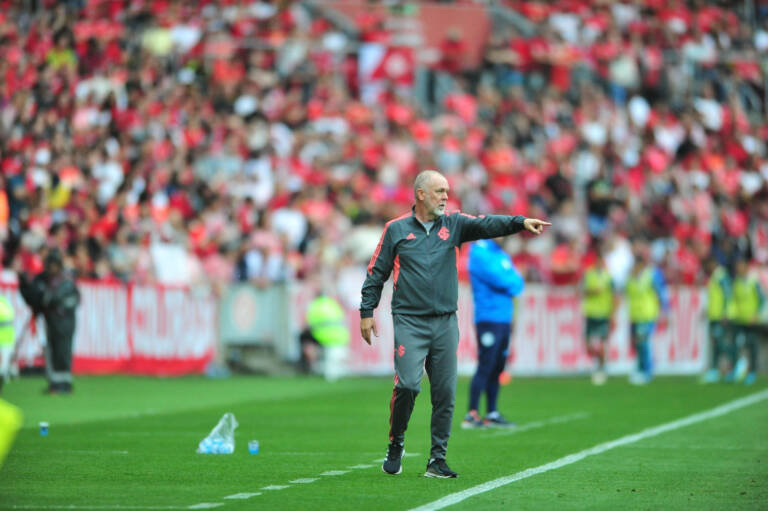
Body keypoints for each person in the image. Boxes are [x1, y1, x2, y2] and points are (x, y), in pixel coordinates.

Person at [359, 170, 550, 478]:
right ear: (420, 194)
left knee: (446, 393)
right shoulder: (395, 229)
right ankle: (396, 442)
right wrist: (366, 311)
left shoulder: (455, 224)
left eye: (446, 191)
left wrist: (519, 223)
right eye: (439, 191)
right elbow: (376, 272)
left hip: (446, 321)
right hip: (409, 320)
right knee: (407, 384)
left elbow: (487, 224)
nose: (445, 196)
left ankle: (437, 460)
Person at [462, 237, 523, 429]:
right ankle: (471, 413)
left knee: (498, 366)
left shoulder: (500, 253)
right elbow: (504, 279)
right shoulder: (479, 252)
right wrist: (510, 278)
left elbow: (517, 284)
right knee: (486, 364)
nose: (503, 234)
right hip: (488, 316)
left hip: (504, 317)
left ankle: (492, 413)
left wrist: (510, 279)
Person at [18, 249, 80, 394]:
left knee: (63, 350)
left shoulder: (66, 280)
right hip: (52, 320)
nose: (50, 268)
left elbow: (53, 299)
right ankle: (55, 383)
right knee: (52, 351)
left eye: (53, 265)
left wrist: (46, 300)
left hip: (64, 321)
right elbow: (38, 297)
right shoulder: (47, 279)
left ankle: (64, 383)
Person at [625, 242, 669, 385]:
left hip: (648, 314)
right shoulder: (631, 278)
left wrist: (665, 311)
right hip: (635, 316)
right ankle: (641, 368)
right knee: (638, 344)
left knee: (643, 342)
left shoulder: (652, 275)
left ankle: (647, 371)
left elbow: (661, 293)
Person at [582, 247, 616, 385]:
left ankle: (601, 369)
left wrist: (613, 314)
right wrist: (592, 291)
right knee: (589, 344)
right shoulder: (589, 274)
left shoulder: (609, 277)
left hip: (603, 313)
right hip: (591, 313)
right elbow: (582, 290)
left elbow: (615, 296)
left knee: (602, 344)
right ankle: (597, 363)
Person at [700, 259, 735, 383]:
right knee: (716, 343)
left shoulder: (721, 276)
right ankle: (714, 370)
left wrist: (725, 312)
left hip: (721, 316)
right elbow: (715, 297)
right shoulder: (714, 276)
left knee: (721, 344)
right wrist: (707, 310)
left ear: (713, 263)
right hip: (714, 315)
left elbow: (727, 294)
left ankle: (735, 361)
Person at [731, 259, 764, 385]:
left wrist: (755, 314)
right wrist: (732, 313)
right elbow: (734, 299)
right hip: (739, 319)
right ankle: (737, 370)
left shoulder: (753, 281)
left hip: (751, 320)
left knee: (751, 345)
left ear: (745, 268)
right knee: (737, 345)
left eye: (740, 266)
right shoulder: (737, 282)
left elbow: (761, 299)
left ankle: (752, 372)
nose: (738, 269)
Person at [303, 293, 350, 381]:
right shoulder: (333, 304)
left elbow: (309, 322)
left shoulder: (315, 305)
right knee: (336, 359)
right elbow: (342, 317)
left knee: (307, 342)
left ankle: (315, 366)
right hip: (340, 335)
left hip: (323, 336)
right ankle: (335, 369)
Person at [0, 294, 15, 395]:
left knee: (2, 368)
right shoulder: (4, 301)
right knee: (2, 368)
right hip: (7, 340)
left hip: (5, 341)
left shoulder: (3, 301)